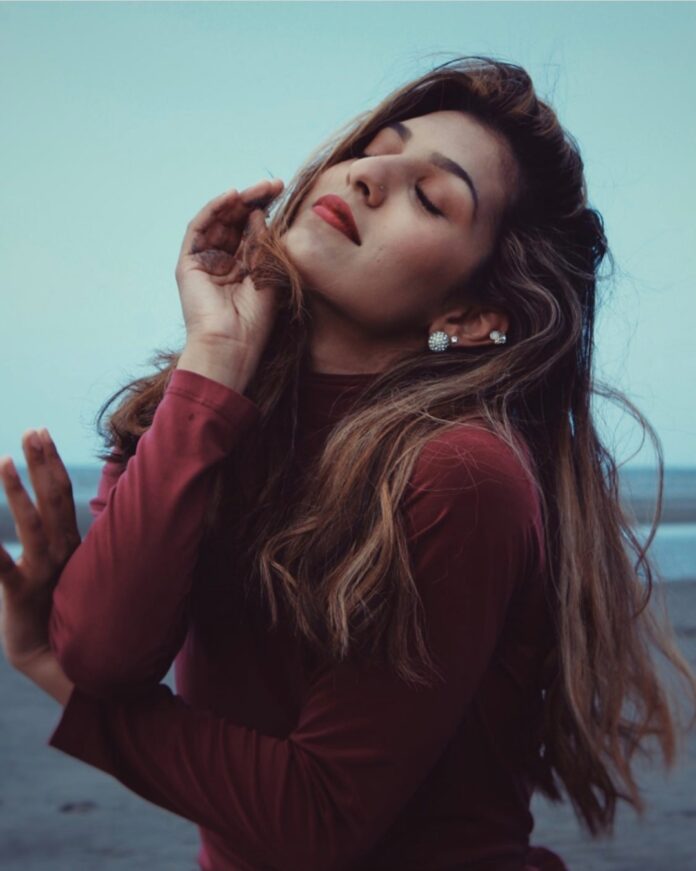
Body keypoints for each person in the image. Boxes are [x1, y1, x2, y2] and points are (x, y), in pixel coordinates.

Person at [1, 56, 694, 871]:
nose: (368, 175)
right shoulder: (199, 403)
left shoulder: (462, 477)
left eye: (431, 196)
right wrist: (214, 358)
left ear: (470, 315)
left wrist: (48, 670)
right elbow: (106, 654)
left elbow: (316, 819)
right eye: (375, 146)